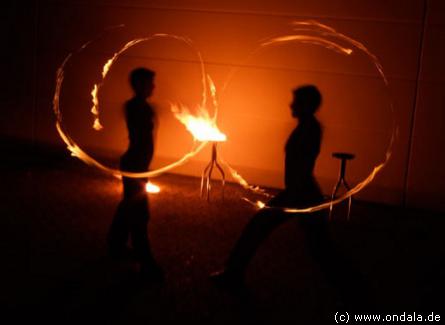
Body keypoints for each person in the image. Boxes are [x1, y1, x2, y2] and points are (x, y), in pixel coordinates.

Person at [211, 85, 371, 309]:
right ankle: (355, 289)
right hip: (300, 193)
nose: (291, 105)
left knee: (316, 247)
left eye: (296, 101)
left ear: (306, 104)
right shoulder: (307, 127)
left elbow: (302, 164)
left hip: (301, 194)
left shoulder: (310, 129)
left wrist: (292, 195)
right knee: (316, 246)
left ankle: (356, 290)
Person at [107, 67, 163, 281]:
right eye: (150, 83)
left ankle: (115, 244)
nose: (153, 87)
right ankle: (146, 262)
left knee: (129, 205)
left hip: (139, 165)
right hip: (134, 165)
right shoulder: (135, 107)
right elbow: (140, 138)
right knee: (140, 213)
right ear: (139, 85)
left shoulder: (144, 107)